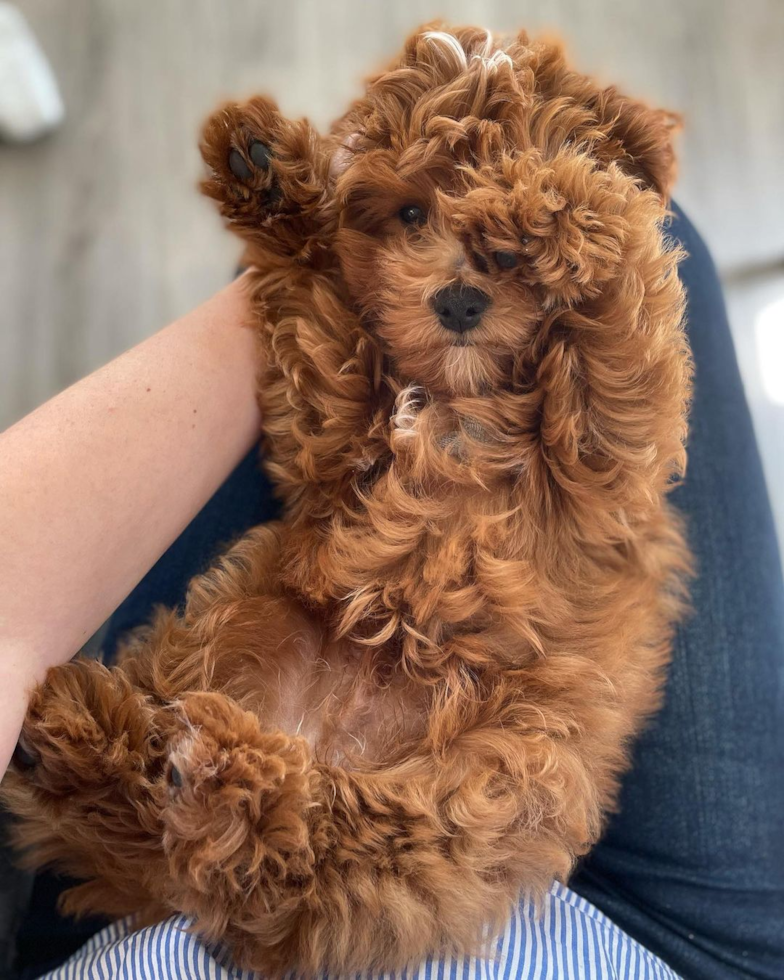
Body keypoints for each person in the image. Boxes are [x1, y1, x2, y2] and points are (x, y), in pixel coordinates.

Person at [1, 205, 782, 980]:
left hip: (152, 904)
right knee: (643, 234)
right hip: (662, 949)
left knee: (337, 360)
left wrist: (306, 265)